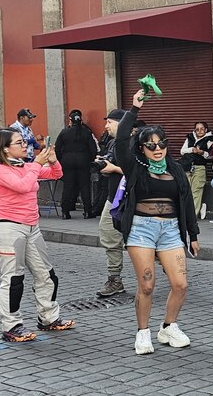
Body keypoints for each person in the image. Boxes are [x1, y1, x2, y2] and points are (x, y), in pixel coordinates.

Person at [114, 89, 200, 355]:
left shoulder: (175, 169)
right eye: (151, 145)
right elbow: (120, 139)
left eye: (161, 143)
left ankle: (168, 326)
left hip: (171, 230)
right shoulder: (135, 167)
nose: (158, 149)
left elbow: (186, 202)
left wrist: (193, 234)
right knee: (147, 285)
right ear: (141, 148)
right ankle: (142, 332)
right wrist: (134, 109)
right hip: (141, 229)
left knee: (180, 284)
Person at [0, 128, 75, 342]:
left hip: (32, 228)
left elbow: (56, 174)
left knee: (46, 275)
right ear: (5, 149)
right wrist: (37, 163)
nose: (25, 145)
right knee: (13, 279)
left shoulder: (25, 166)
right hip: (9, 229)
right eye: (20, 143)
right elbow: (23, 185)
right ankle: (11, 326)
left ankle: (48, 318)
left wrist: (53, 160)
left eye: (25, 142)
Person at [96, 109, 129, 298]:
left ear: (121, 123)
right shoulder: (111, 142)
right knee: (108, 235)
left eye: (109, 122)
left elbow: (142, 170)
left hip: (133, 201)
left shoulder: (135, 142)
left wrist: (115, 169)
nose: (106, 126)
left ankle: (172, 267)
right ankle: (115, 280)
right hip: (113, 199)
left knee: (148, 242)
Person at [55, 109, 98, 220]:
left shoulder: (64, 132)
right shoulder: (86, 132)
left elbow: (57, 148)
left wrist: (61, 159)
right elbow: (93, 148)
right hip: (83, 160)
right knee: (85, 186)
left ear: (71, 121)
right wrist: (90, 159)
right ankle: (87, 211)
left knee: (68, 186)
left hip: (67, 160)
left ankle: (65, 212)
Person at [181, 121, 213, 219]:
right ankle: (185, 213)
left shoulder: (210, 139)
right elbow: (182, 151)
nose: (199, 131)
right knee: (186, 190)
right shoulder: (190, 137)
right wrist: (192, 149)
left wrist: (201, 152)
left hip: (200, 167)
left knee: (196, 191)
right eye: (197, 129)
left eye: (202, 129)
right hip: (187, 166)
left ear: (206, 130)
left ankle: (192, 216)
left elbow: (210, 154)